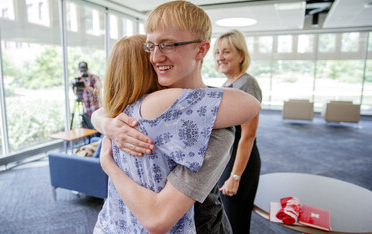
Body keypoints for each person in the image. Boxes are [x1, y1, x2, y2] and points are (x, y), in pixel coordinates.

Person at [91, 1, 248, 233]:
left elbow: (158, 217)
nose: (155, 57)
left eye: (168, 45)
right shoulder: (138, 109)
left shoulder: (216, 122)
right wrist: (106, 123)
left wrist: (108, 162)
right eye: (151, 46)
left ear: (201, 50)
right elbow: (104, 111)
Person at [215, 29, 262, 234]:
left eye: (226, 52)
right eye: (217, 53)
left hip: (240, 162)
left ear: (241, 56)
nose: (220, 57)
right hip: (227, 158)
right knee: (225, 218)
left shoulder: (247, 84)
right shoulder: (227, 84)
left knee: (236, 222)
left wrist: (235, 177)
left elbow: (248, 136)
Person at [75, 61, 102, 129]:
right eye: (81, 70)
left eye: (84, 70)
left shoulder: (94, 78)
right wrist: (75, 87)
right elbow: (78, 94)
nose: (82, 72)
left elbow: (98, 91)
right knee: (89, 132)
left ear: (87, 69)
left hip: (96, 109)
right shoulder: (80, 79)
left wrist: (87, 88)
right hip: (86, 110)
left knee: (97, 131)